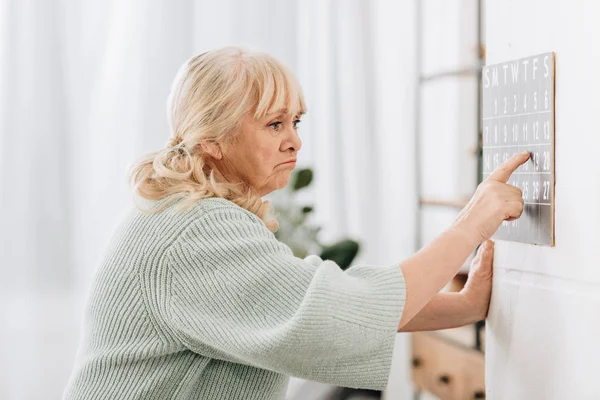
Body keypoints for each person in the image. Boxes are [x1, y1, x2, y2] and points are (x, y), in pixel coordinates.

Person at [63, 47, 528, 400]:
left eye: (296, 122)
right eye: (274, 124)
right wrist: (473, 222)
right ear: (213, 140)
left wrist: (465, 306)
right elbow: (332, 319)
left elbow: (312, 303)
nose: (294, 143)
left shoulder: (189, 214)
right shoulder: (194, 229)